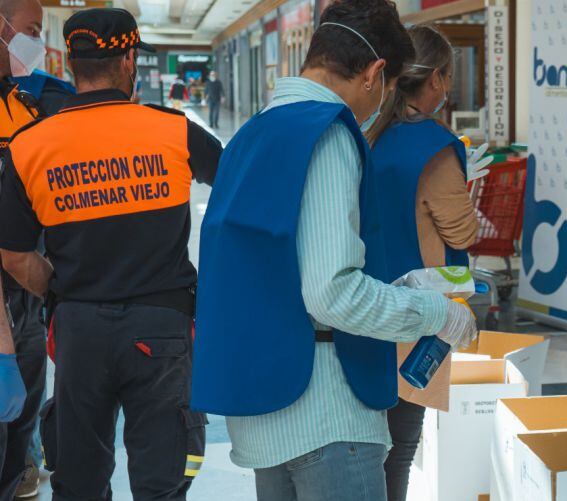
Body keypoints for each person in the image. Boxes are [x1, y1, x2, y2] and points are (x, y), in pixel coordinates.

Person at [190, 1, 478, 499]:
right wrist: (435, 313)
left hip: (264, 400)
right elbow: (332, 294)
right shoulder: (327, 135)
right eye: (385, 89)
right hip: (326, 414)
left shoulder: (250, 136)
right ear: (374, 73)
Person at [0, 8, 222, 500]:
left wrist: (59, 291)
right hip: (162, 332)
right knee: (162, 483)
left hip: (81, 333)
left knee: (78, 483)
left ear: (73, 65)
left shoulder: (29, 146)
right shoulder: (174, 131)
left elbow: (14, 257)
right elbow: (234, 195)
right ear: (127, 61)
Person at [364, 24, 479, 501]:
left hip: (362, 304)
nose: (448, 89)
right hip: (415, 317)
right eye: (447, 78)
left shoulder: (370, 132)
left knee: (370, 445)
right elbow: (463, 232)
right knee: (400, 447)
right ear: (434, 78)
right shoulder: (433, 146)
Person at [0, 0, 74, 497]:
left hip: (28, 273)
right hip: (7, 277)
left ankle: (18, 468)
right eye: (29, 30)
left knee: (25, 393)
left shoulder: (36, 100)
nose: (35, 41)